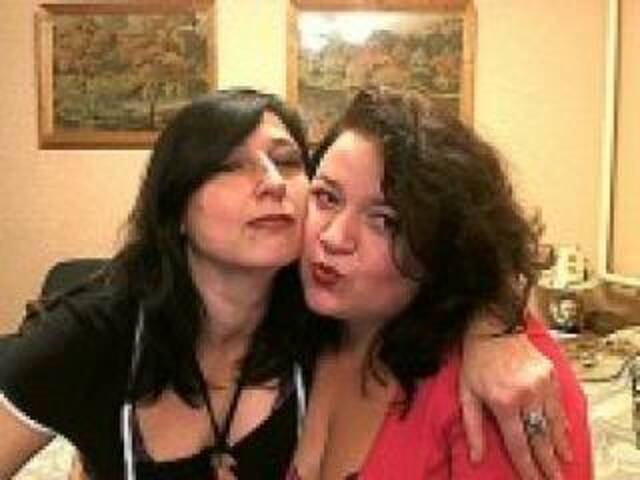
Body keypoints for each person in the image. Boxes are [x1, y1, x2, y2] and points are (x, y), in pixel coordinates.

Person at [0, 88, 569, 480]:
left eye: (288, 160)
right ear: (175, 206)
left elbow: (455, 248)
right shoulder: (95, 332)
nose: (272, 182)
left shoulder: (317, 310)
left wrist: (494, 325)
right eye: (230, 165)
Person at [290, 86, 591, 479]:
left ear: (442, 243)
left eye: (385, 221)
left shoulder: (501, 390)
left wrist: (495, 323)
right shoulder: (301, 329)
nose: (333, 238)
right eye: (327, 197)